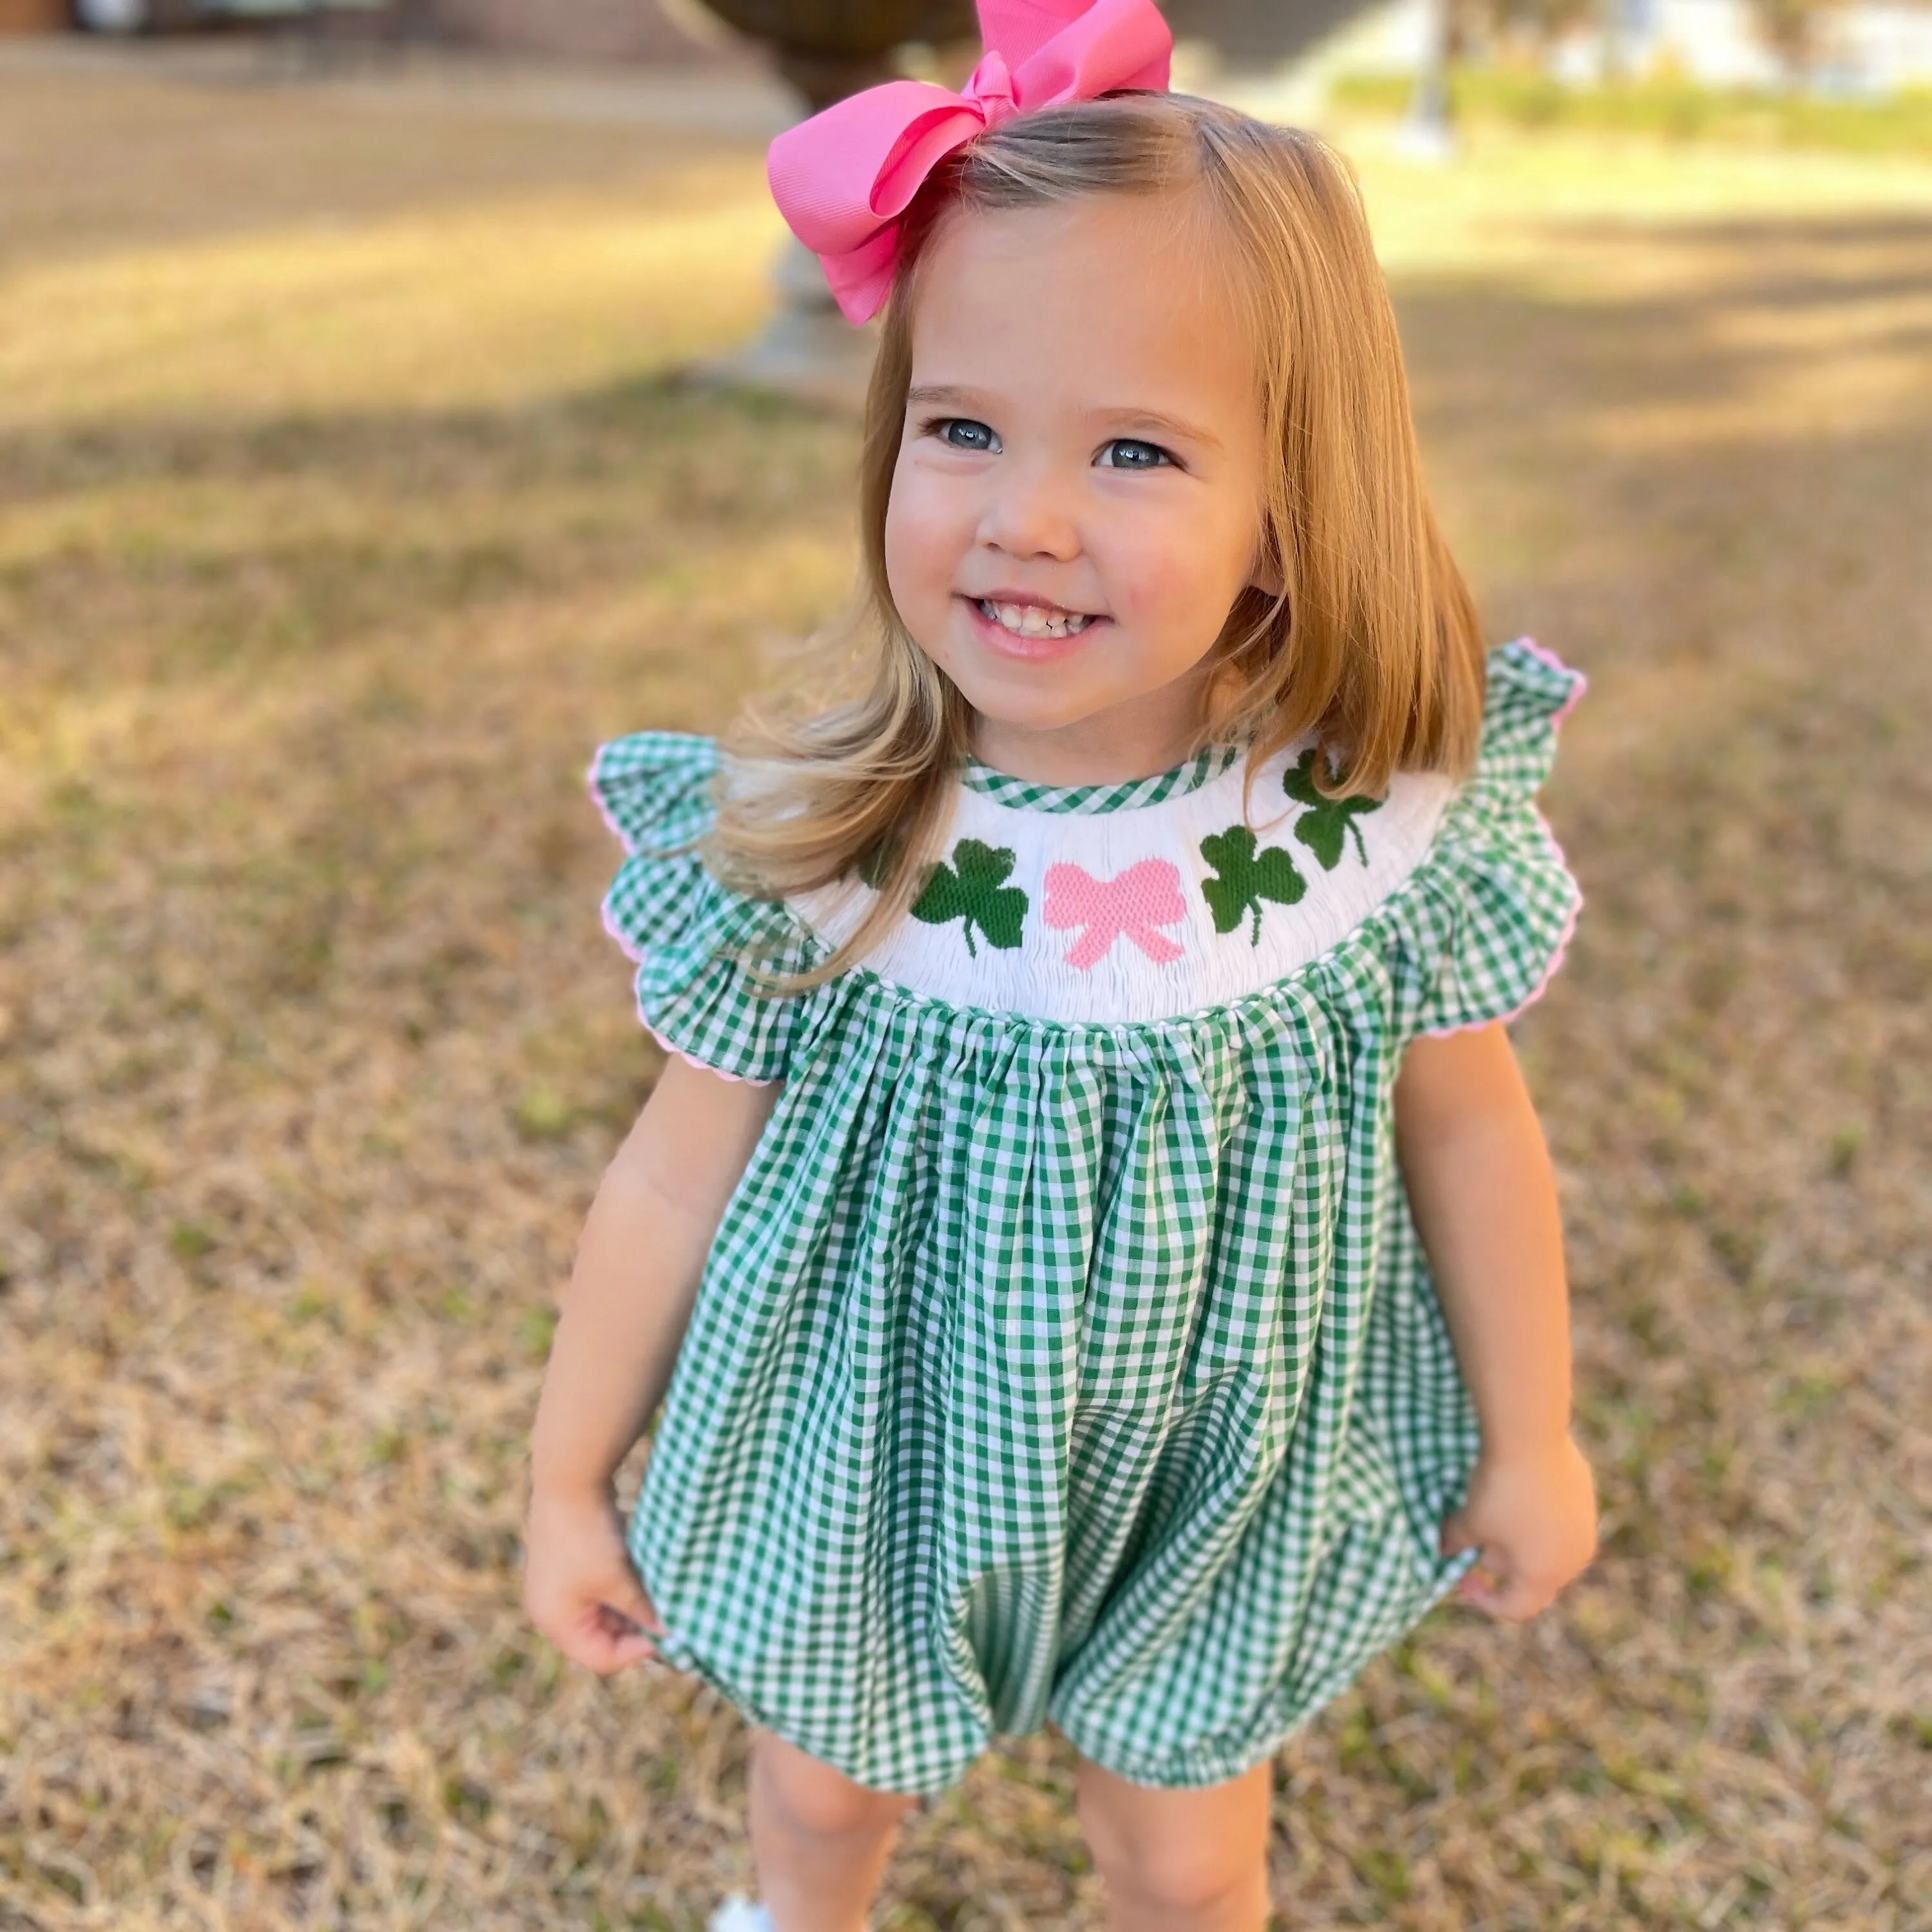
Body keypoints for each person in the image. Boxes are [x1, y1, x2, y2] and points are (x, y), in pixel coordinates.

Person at [522, 2, 1600, 1927]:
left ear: (1296, 505)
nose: (1023, 517)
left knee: (1187, 1865)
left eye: (1132, 449)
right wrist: (567, 1476)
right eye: (961, 428)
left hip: (1225, 1470)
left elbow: (1467, 1140)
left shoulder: (1355, 839)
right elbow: (673, 1175)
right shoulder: (841, 838)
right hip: (879, 1455)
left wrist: (1534, 1438)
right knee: (822, 1803)